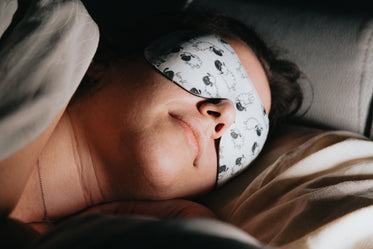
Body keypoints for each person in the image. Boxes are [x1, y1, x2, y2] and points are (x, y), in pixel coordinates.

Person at [0, 9, 303, 244]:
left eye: (248, 135)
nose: (224, 115)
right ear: (104, 61)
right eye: (215, 65)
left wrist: (195, 232)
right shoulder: (33, 21)